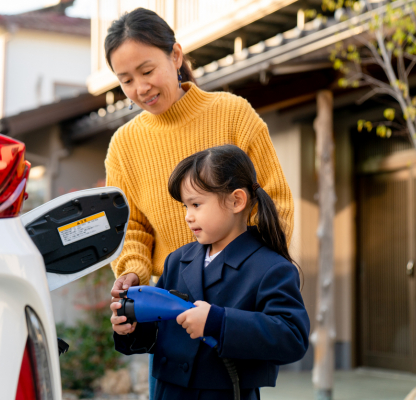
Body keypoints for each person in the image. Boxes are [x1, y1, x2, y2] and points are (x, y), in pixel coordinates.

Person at [103, 7, 295, 398]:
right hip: (169, 312)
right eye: (125, 80)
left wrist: (231, 273)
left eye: (146, 70)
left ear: (175, 56)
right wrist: (134, 274)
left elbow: (274, 201)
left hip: (234, 307)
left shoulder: (232, 114)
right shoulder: (124, 145)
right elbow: (130, 226)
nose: (140, 88)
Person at [110, 145, 310, 400]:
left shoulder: (271, 267)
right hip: (168, 392)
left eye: (196, 204)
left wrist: (218, 322)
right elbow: (159, 328)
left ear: (237, 200)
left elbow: (292, 337)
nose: (188, 216)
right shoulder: (178, 260)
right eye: (185, 206)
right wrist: (131, 327)